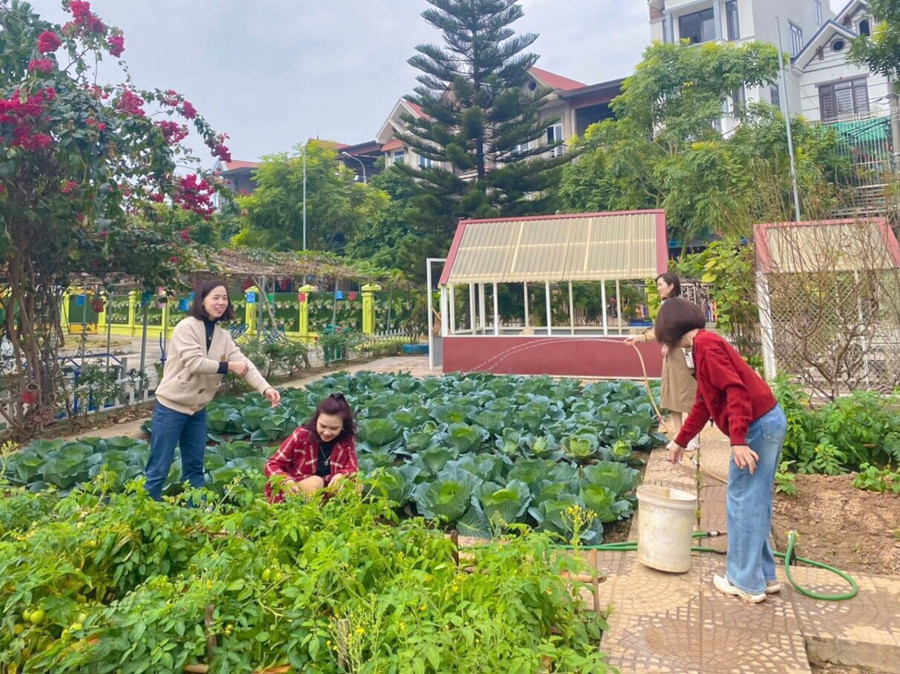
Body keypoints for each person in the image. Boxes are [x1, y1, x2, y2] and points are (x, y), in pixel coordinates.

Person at [655, 297, 787, 604]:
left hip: (757, 425)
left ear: (669, 330)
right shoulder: (701, 347)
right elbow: (704, 401)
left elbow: (736, 390)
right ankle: (763, 577)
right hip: (764, 421)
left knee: (742, 500)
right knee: (754, 499)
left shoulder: (707, 346)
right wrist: (680, 440)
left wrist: (738, 439)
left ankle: (743, 581)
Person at [145, 280, 281, 500]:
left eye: (225, 298)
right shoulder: (186, 327)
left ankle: (195, 515)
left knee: (195, 469)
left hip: (197, 411)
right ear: (202, 300)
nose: (220, 302)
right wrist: (228, 367)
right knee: (158, 469)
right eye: (215, 297)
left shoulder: (222, 336)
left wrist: (265, 388)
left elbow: (244, 364)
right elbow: (195, 363)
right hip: (171, 407)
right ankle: (144, 514)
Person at [625, 273, 699, 449]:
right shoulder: (664, 306)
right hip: (670, 358)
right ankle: (679, 437)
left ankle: (692, 437)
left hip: (683, 355)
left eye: (660, 285)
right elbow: (660, 330)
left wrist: (669, 343)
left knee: (687, 395)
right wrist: (640, 338)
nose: (658, 288)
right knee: (671, 395)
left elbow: (682, 329)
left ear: (671, 285)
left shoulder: (681, 305)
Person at [265, 393, 358, 502]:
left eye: (334, 428)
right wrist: (286, 480)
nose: (327, 432)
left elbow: (353, 468)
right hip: (295, 490)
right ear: (316, 421)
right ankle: (295, 510)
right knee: (316, 481)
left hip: (327, 491)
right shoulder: (301, 436)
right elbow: (272, 464)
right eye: (322, 426)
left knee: (354, 483)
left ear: (343, 426)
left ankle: (328, 511)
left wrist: (341, 475)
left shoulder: (346, 439)